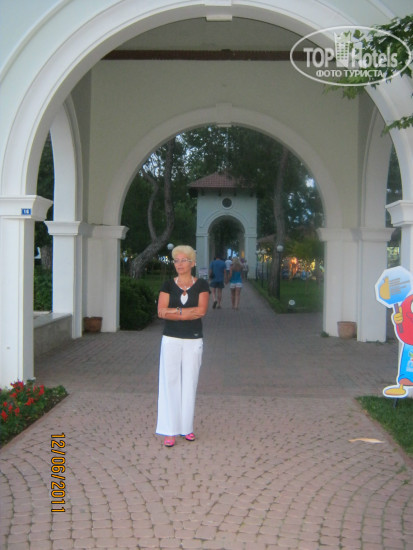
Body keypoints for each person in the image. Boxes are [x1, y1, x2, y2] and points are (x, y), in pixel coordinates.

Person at [156, 245, 209, 447]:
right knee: (169, 382)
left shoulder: (202, 285)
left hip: (193, 340)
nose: (179, 264)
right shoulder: (168, 285)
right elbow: (161, 312)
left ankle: (186, 428)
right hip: (171, 338)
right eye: (176, 260)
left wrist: (174, 312)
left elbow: (201, 311)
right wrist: (185, 312)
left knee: (190, 382)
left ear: (192, 263)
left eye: (183, 260)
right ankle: (170, 430)